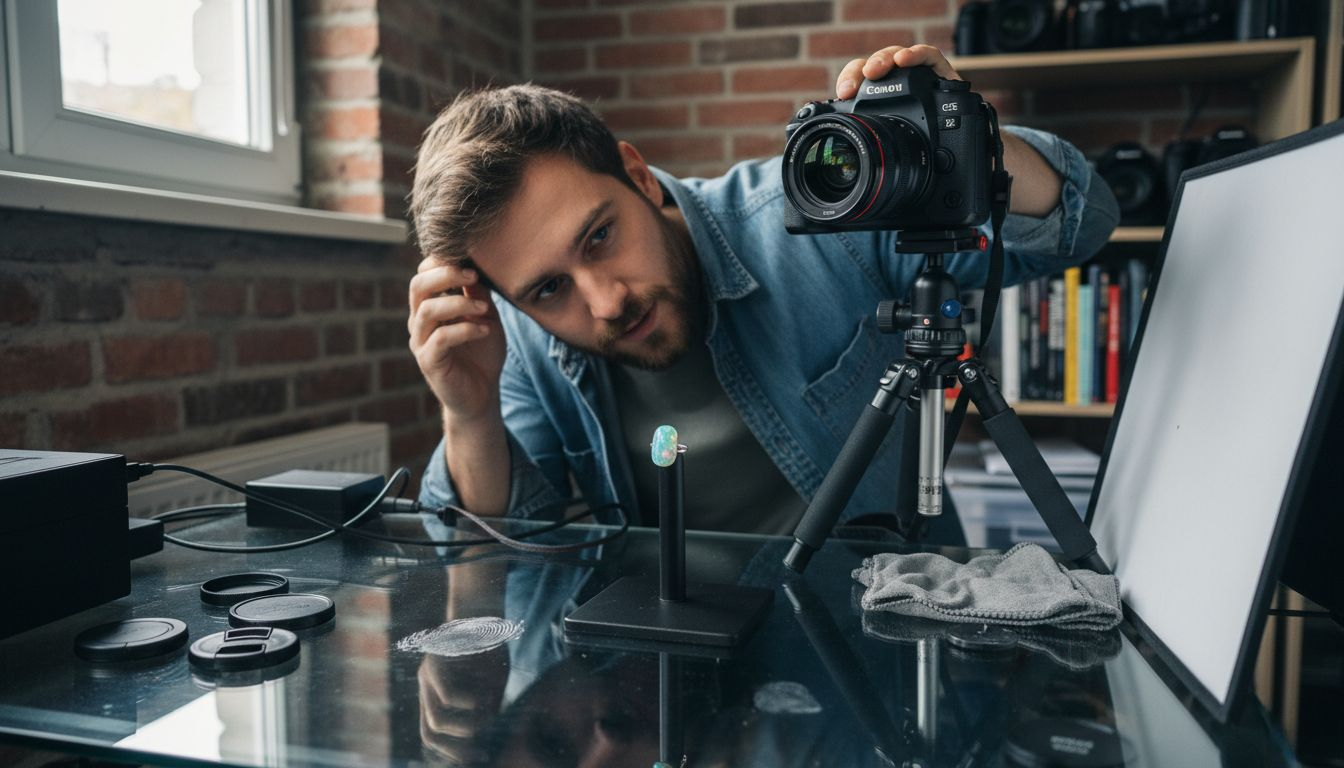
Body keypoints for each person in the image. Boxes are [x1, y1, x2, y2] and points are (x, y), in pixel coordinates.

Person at [408, 44, 1120, 539]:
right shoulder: (529, 347)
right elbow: (493, 548)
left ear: (638, 176)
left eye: (598, 236)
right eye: (547, 289)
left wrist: (972, 152)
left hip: (880, 649)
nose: (604, 302)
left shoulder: (823, 218)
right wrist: (468, 414)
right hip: (668, 681)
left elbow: (1083, 225)